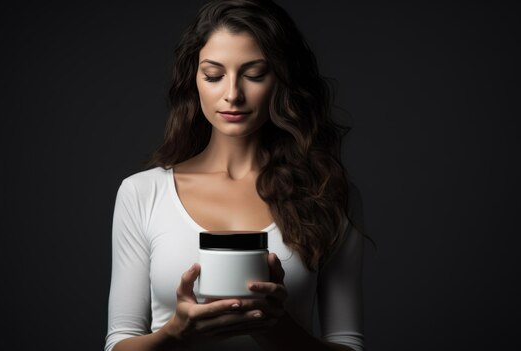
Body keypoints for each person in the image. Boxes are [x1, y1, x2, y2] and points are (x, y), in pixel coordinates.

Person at [105, 0, 365, 350]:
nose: (232, 95)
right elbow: (118, 342)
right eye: (214, 75)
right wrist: (176, 333)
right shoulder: (142, 193)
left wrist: (276, 328)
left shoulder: (328, 194)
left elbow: (349, 344)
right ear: (194, 80)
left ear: (281, 80)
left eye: (254, 74)